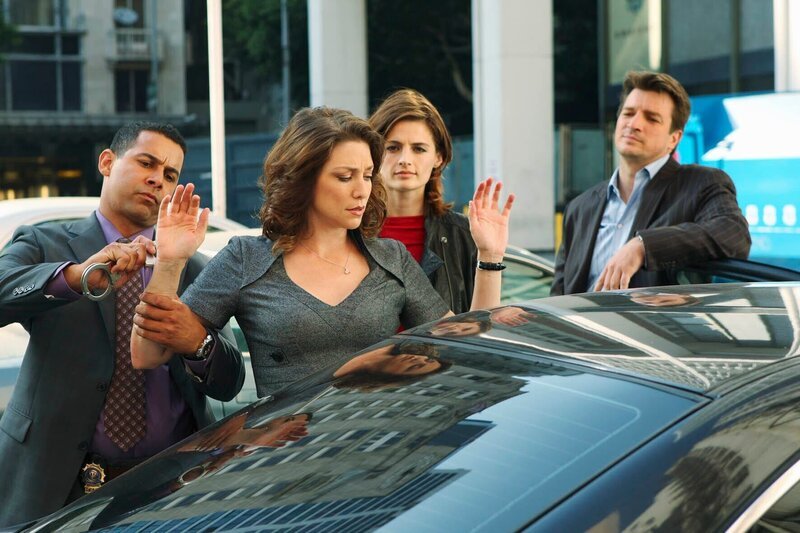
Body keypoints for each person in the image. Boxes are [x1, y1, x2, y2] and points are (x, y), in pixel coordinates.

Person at [131, 106, 514, 398]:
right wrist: (170, 260)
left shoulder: (391, 257)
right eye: (345, 177)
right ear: (302, 179)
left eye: (366, 175)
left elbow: (466, 345)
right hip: (288, 463)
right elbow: (147, 355)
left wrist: (490, 257)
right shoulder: (246, 258)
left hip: (384, 456)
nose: (361, 190)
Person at [0, 121, 245, 527]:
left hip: (171, 487)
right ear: (108, 162)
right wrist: (76, 277)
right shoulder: (48, 243)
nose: (157, 180)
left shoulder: (192, 266)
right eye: (146, 162)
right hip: (54, 483)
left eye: (170, 175)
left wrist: (196, 343)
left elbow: (228, 381)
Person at [551, 70, 751, 296]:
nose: (634, 124)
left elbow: (734, 234)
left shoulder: (702, 184)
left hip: (650, 330)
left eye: (651, 118)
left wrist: (642, 247)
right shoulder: (580, 208)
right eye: (628, 113)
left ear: (673, 139)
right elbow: (559, 296)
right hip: (582, 330)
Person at [369, 89, 478, 313]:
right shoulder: (348, 231)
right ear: (374, 153)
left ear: (439, 157)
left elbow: (483, 328)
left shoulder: (464, 234)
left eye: (419, 149)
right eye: (393, 147)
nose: (405, 160)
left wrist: (492, 257)